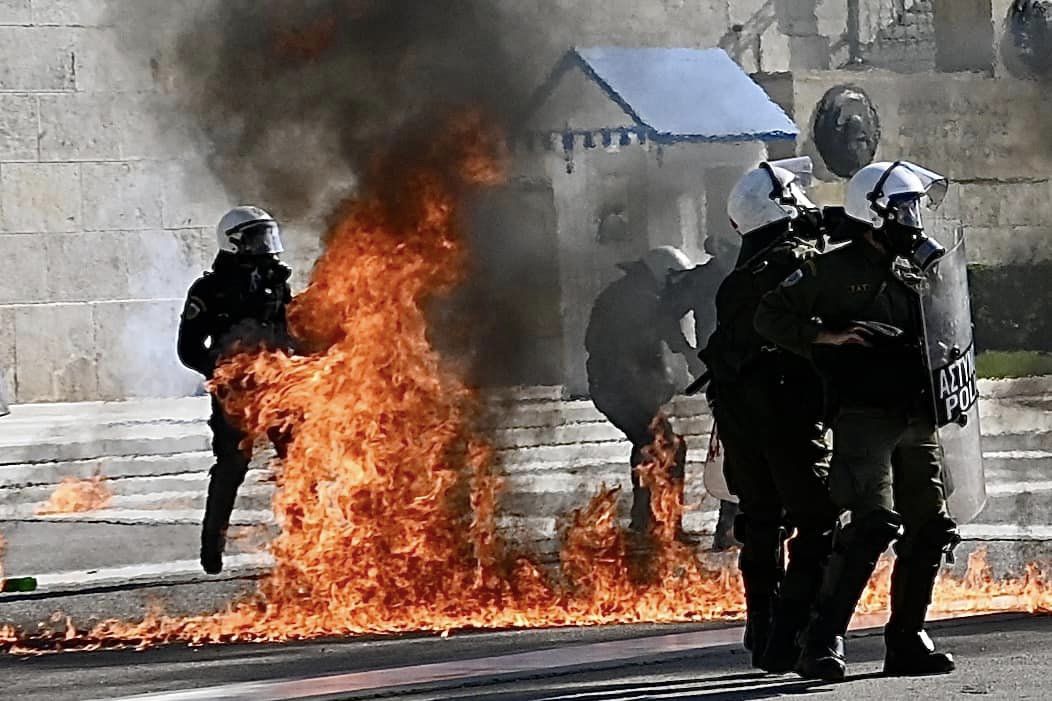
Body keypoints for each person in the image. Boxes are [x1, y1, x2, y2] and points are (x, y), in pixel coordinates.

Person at [755, 161, 960, 680]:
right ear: (872, 214)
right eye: (903, 210)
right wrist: (823, 336)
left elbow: (948, 325)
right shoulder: (831, 270)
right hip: (865, 414)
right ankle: (822, 642)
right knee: (871, 524)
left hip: (917, 413)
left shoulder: (917, 267)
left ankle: (907, 638)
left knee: (931, 526)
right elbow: (769, 315)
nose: (912, 220)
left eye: (914, 209)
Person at [700, 159, 837, 672]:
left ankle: (761, 629)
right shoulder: (798, 262)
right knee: (818, 522)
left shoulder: (739, 278)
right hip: (787, 413)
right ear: (780, 204)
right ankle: (792, 634)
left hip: (740, 417)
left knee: (761, 521)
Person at [177, 206, 293, 575]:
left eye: (265, 235)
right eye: (256, 237)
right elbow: (188, 348)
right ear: (234, 241)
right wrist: (222, 373)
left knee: (297, 463)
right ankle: (212, 548)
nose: (264, 244)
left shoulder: (276, 281)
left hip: (277, 387)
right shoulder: (209, 289)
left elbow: (289, 332)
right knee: (231, 466)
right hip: (235, 394)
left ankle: (306, 542)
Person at [585, 246, 705, 537]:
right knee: (667, 445)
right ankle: (663, 524)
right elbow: (663, 328)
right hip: (618, 388)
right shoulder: (638, 298)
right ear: (663, 274)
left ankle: (647, 520)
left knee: (649, 443)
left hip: (613, 386)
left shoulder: (632, 293)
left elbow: (664, 328)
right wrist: (687, 357)